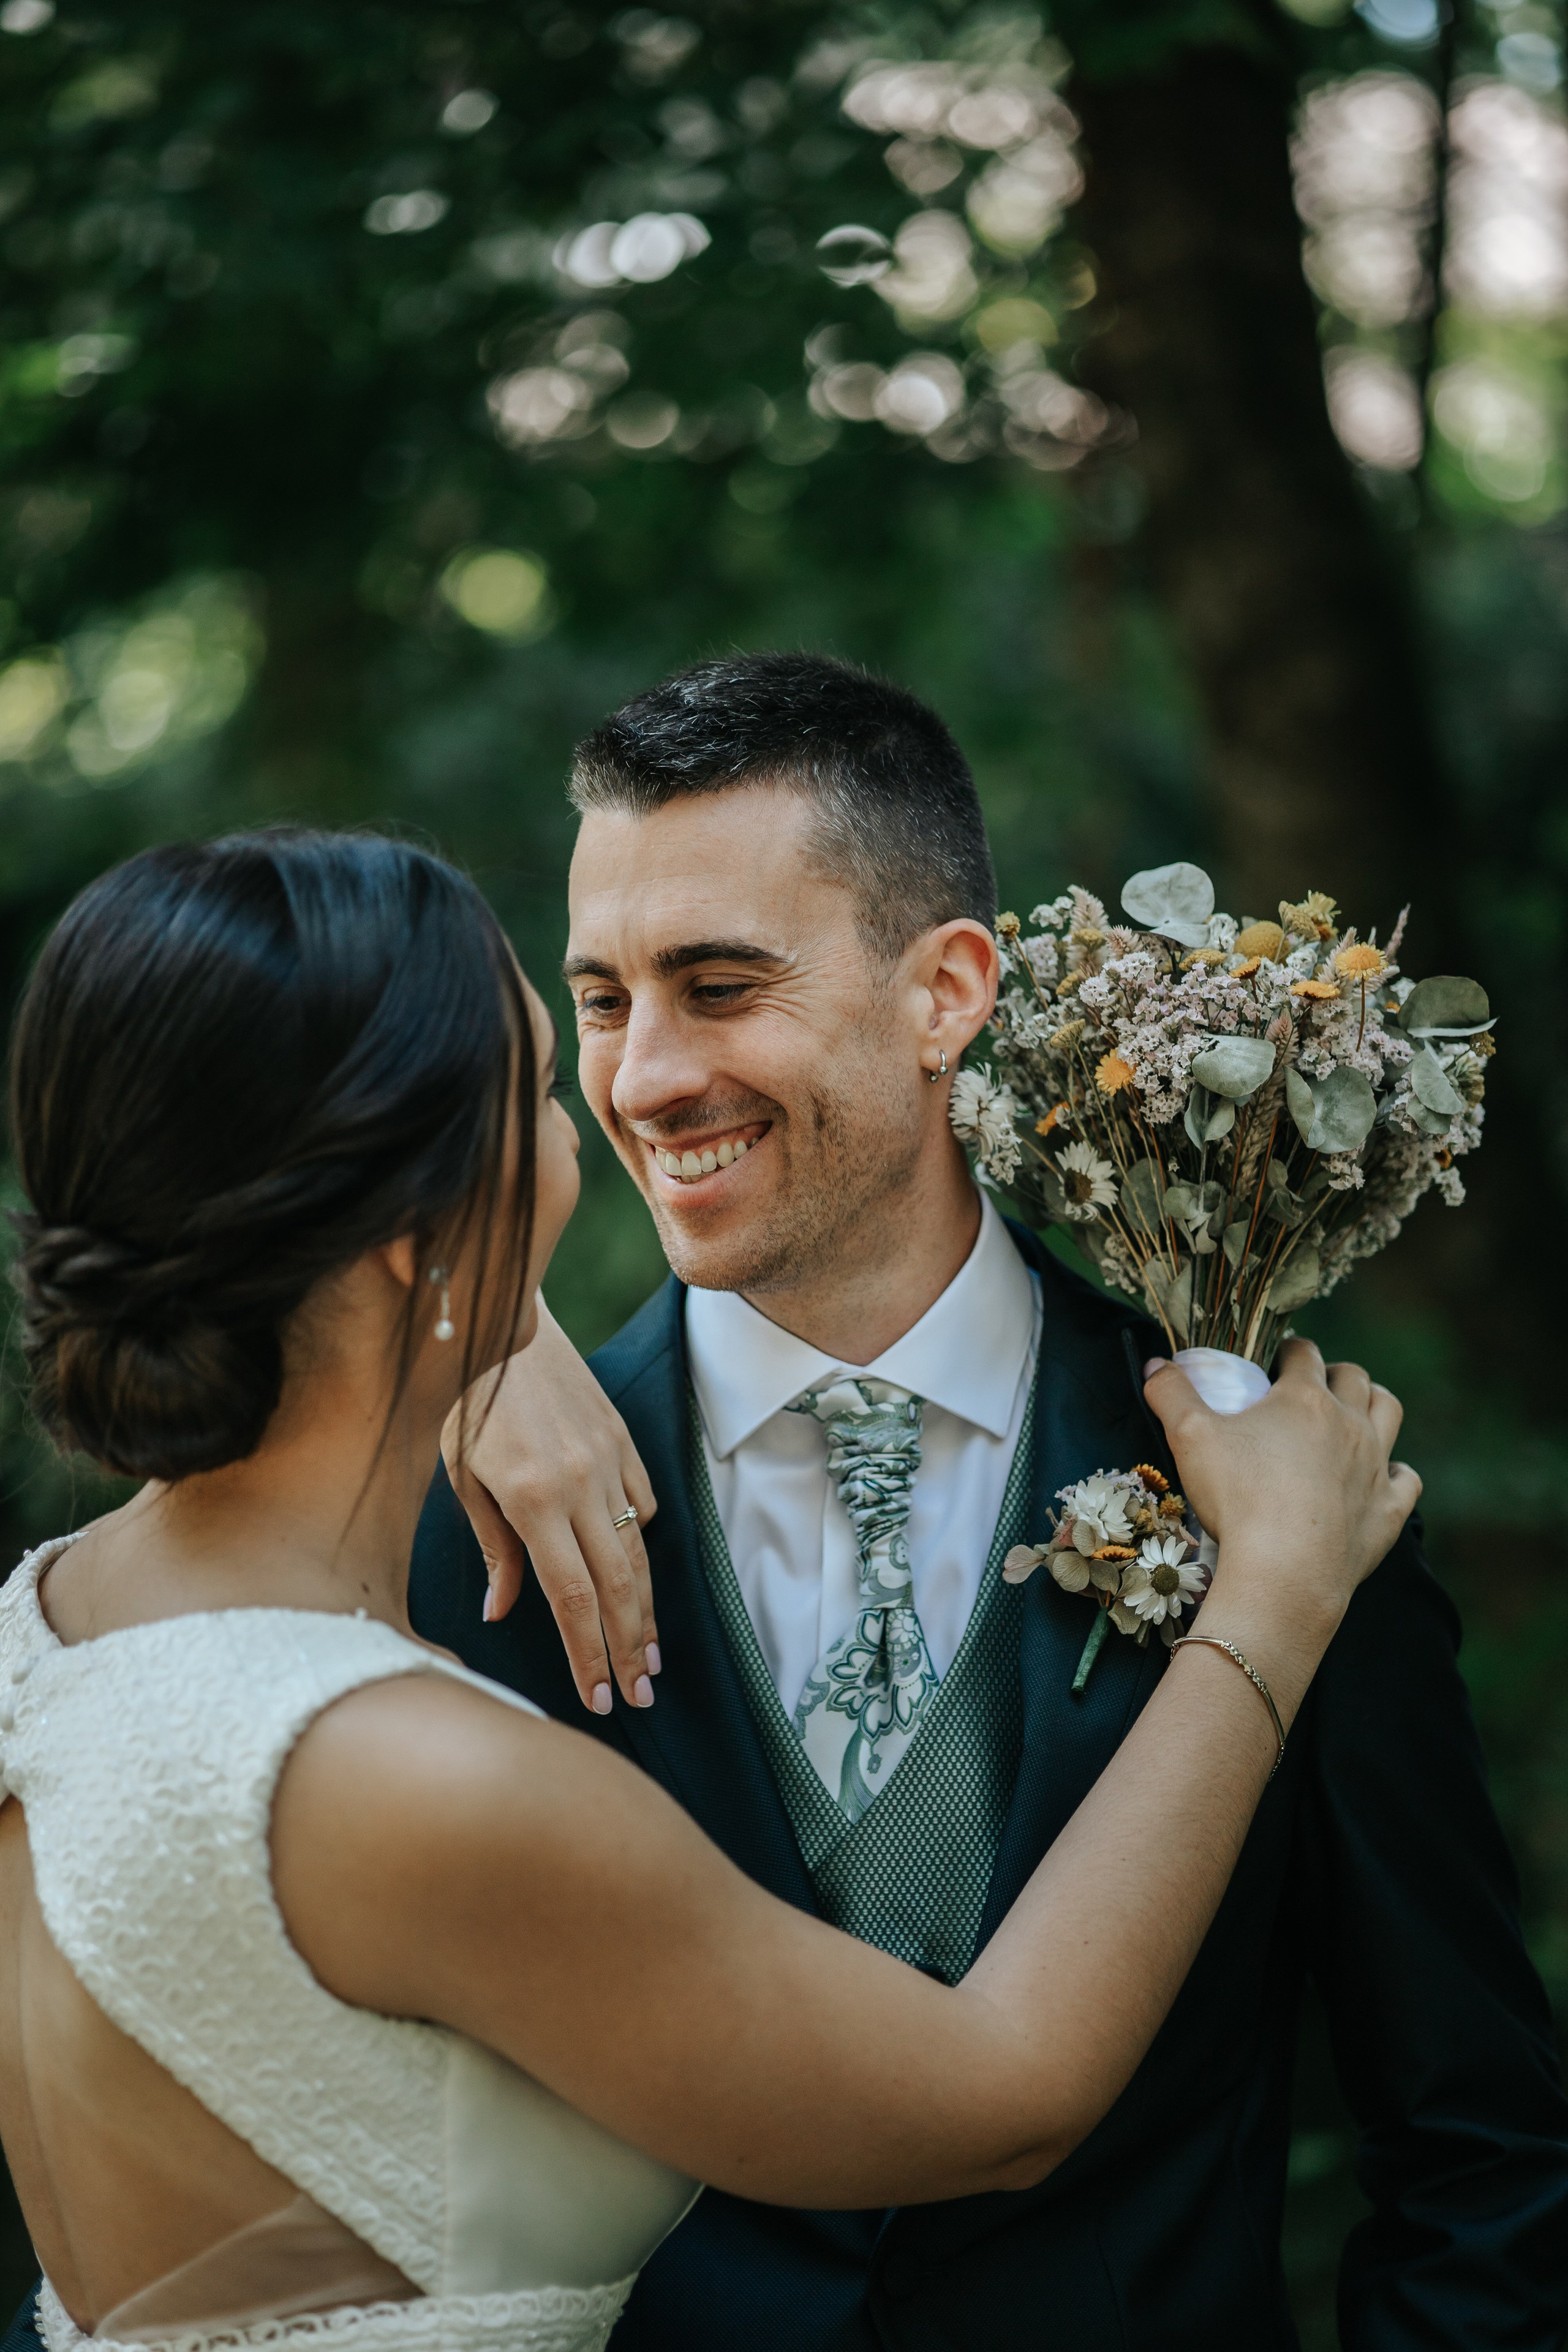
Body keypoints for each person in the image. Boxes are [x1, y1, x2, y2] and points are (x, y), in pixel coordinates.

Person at [0, 829, 1412, 2352]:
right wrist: (1265, 1597)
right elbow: (1001, 2093)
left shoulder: (47, 1632)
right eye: (548, 1079)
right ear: (410, 1234)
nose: (615, 1102)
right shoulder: (425, 1778)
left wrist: (473, 1329)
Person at [410, 655, 1568, 2350]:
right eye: (602, 1000)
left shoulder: (1277, 1498)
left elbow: (1479, 2154)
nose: (649, 1076)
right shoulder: (483, 1511)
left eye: (721, 984)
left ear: (947, 990)